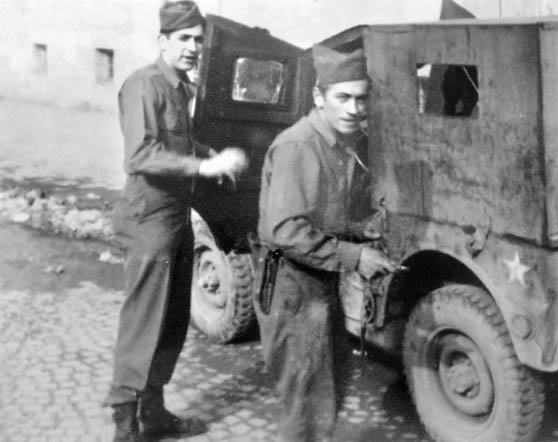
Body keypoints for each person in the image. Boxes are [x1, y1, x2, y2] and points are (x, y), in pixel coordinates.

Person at [104, 2, 247, 442]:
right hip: (149, 220)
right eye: (183, 39)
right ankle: (125, 426)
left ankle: (155, 413)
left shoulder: (180, 88)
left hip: (176, 219)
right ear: (162, 41)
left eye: (198, 41)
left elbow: (177, 140)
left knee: (171, 322)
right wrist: (203, 168)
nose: (192, 48)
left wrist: (206, 154)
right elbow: (141, 154)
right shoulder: (143, 86)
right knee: (144, 322)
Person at [256, 44, 398, 442]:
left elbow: (321, 215)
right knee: (304, 401)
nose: (354, 108)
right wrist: (355, 256)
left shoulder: (338, 143)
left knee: (328, 388)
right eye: (343, 98)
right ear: (319, 98)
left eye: (361, 98)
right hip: (291, 288)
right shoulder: (300, 146)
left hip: (317, 282)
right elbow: (285, 232)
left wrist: (358, 228)